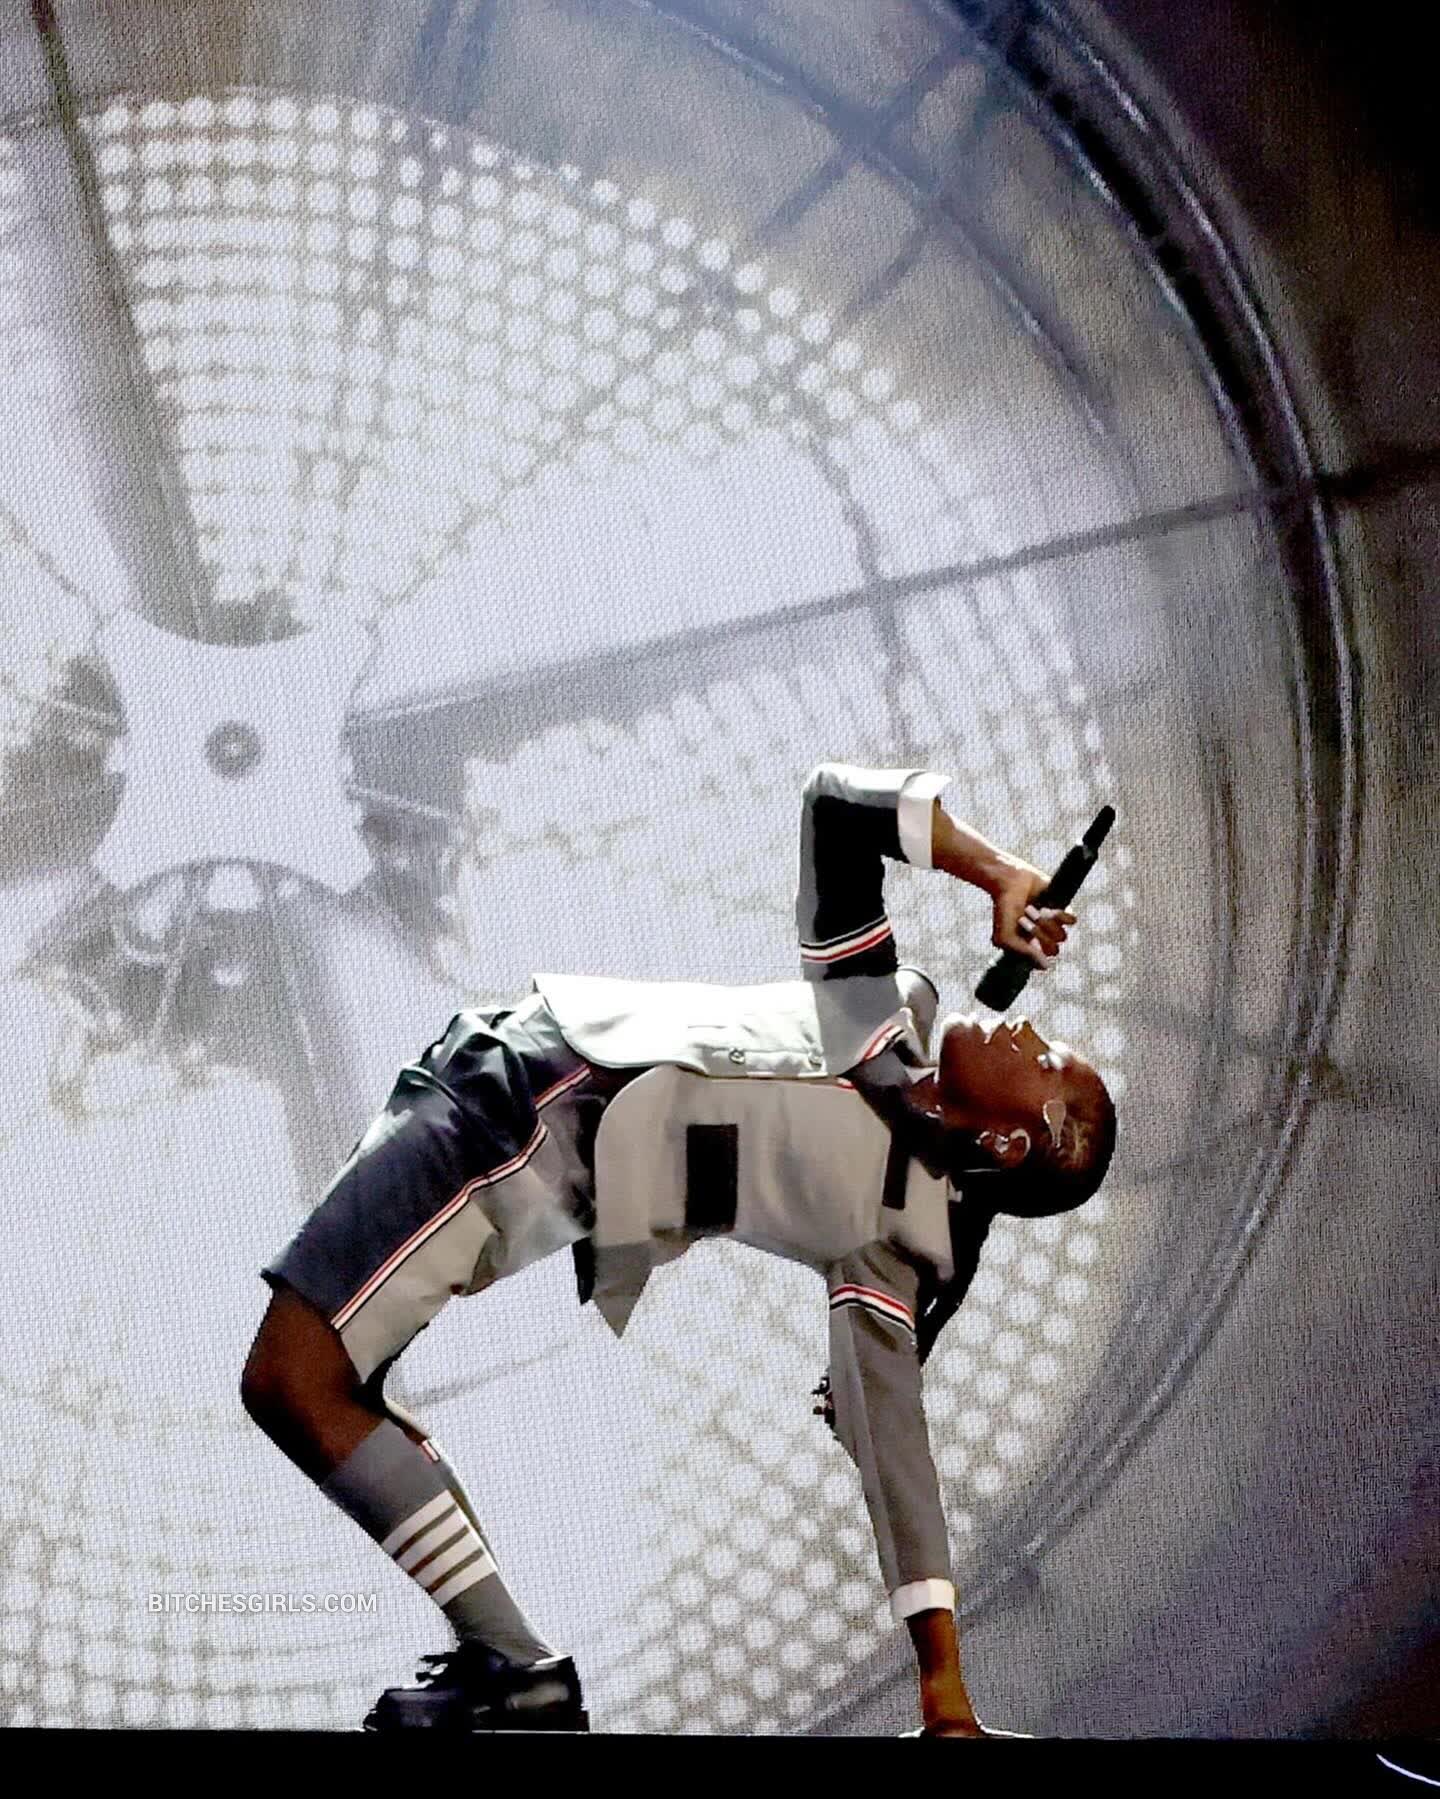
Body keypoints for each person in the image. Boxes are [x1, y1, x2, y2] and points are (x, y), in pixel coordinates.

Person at [241, 762, 1117, 1736]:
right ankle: (509, 1662)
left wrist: (944, 1692)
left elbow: (897, 1459)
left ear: (1007, 1143)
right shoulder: (885, 1014)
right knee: (321, 1379)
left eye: (1047, 1063)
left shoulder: (888, 1231)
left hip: (516, 1122)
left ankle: (515, 1665)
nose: (1030, 1029)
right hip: (506, 1083)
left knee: (295, 1377)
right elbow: (836, 806)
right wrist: (996, 873)